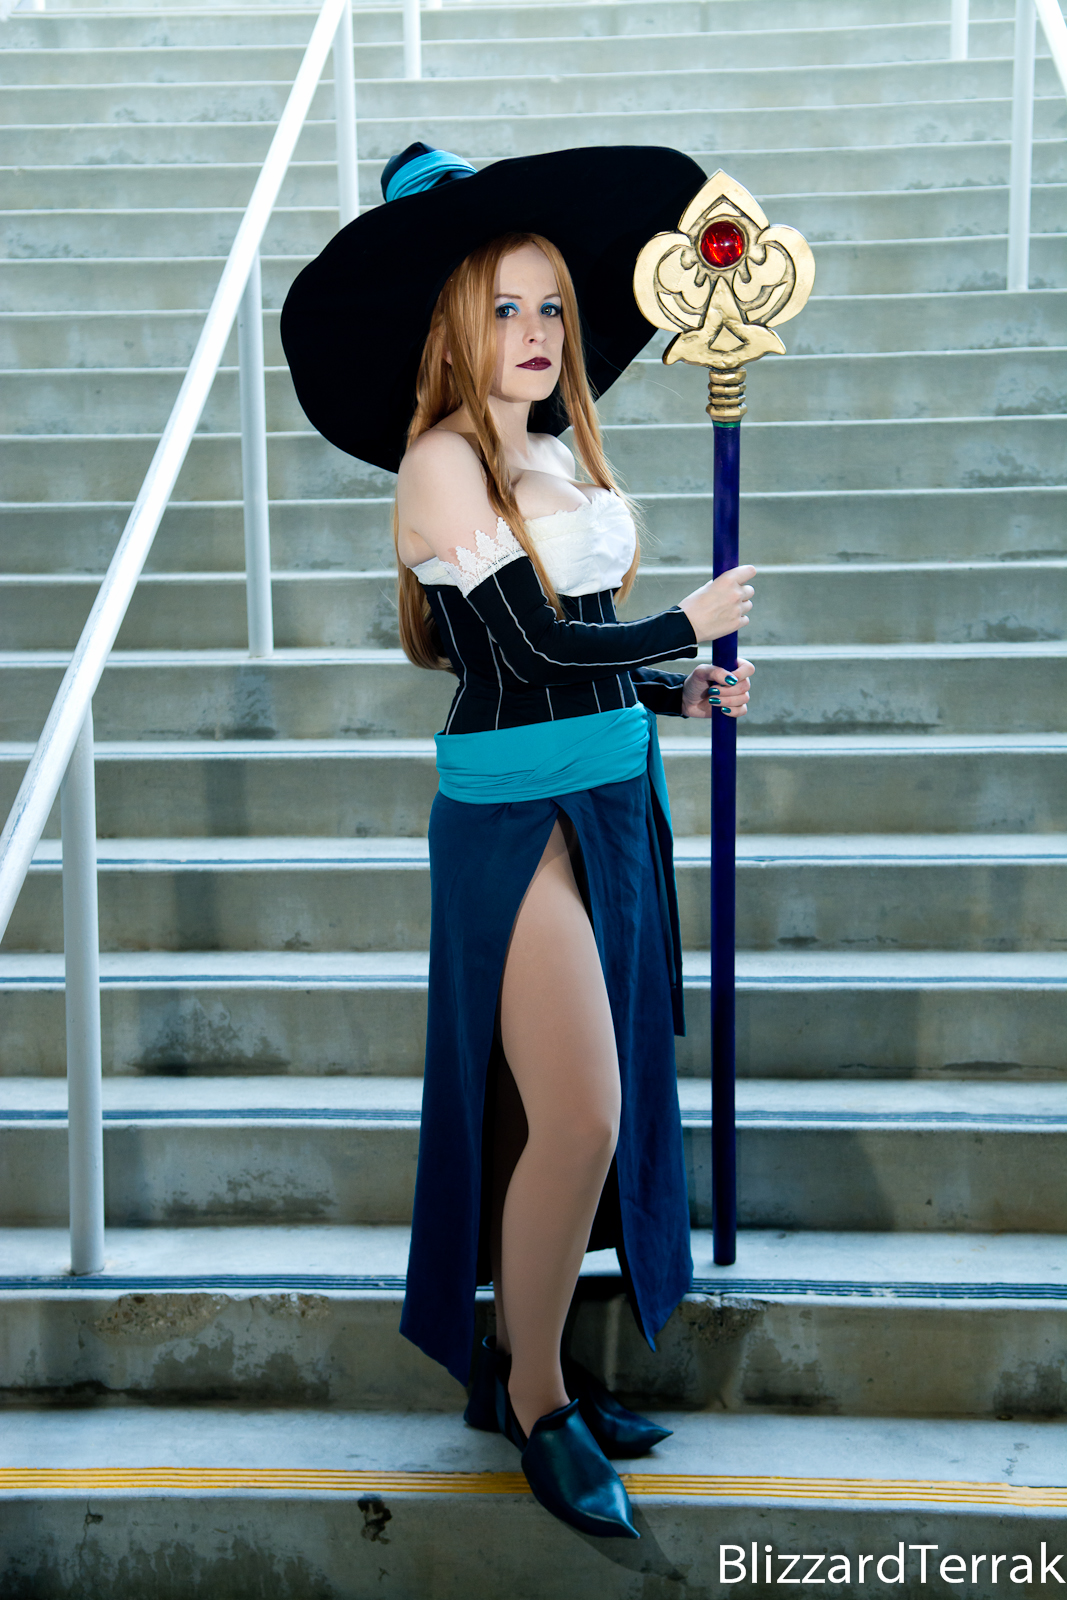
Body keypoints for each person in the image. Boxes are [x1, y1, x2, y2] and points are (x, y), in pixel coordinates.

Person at [281, 143, 756, 1542]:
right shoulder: (440, 462)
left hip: (612, 793)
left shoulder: (558, 446)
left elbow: (587, 658)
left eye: (552, 305)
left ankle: (523, 1366)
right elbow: (527, 650)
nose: (538, 332)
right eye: (505, 307)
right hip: (512, 818)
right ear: (453, 322)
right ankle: (540, 1405)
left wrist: (675, 686)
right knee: (582, 1112)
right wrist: (684, 622)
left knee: (581, 1109)